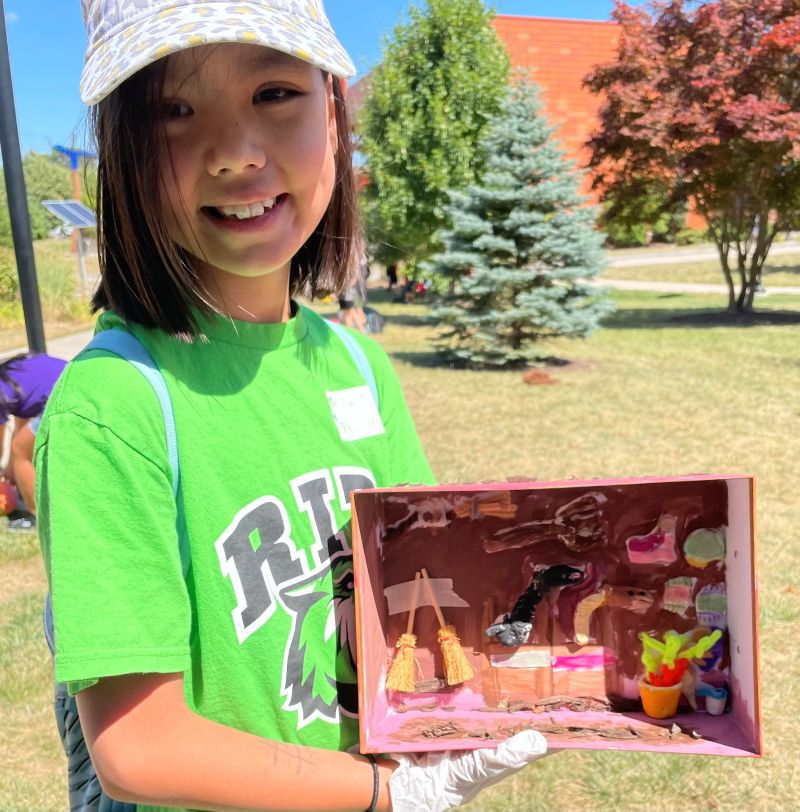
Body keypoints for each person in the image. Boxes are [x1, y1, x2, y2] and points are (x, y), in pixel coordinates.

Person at [36, 2, 549, 811]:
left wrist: (501, 554)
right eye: (174, 109)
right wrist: (384, 795)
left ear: (336, 114)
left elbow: (411, 589)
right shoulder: (111, 405)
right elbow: (138, 746)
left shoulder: (358, 362)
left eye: (275, 93)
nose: (236, 153)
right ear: (125, 155)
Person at [0, 352, 66, 530]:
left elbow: (5, 447)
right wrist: (9, 469)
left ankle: (37, 517)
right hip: (75, 384)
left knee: (21, 451)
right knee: (22, 446)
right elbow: (21, 426)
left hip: (63, 396)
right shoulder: (10, 376)